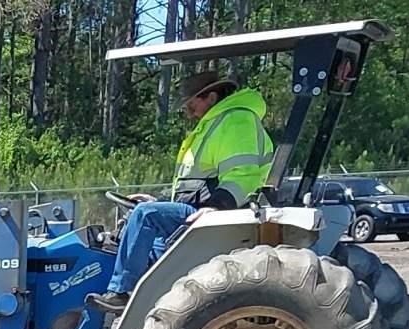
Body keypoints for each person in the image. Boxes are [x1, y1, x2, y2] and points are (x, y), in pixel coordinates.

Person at [95, 69, 277, 311]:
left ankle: (120, 292)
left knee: (146, 215)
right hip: (201, 210)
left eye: (192, 105)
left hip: (218, 214)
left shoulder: (235, 121)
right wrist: (158, 200)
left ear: (211, 98)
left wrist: (216, 207)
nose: (188, 113)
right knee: (150, 247)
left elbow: (244, 174)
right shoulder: (215, 124)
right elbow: (197, 182)